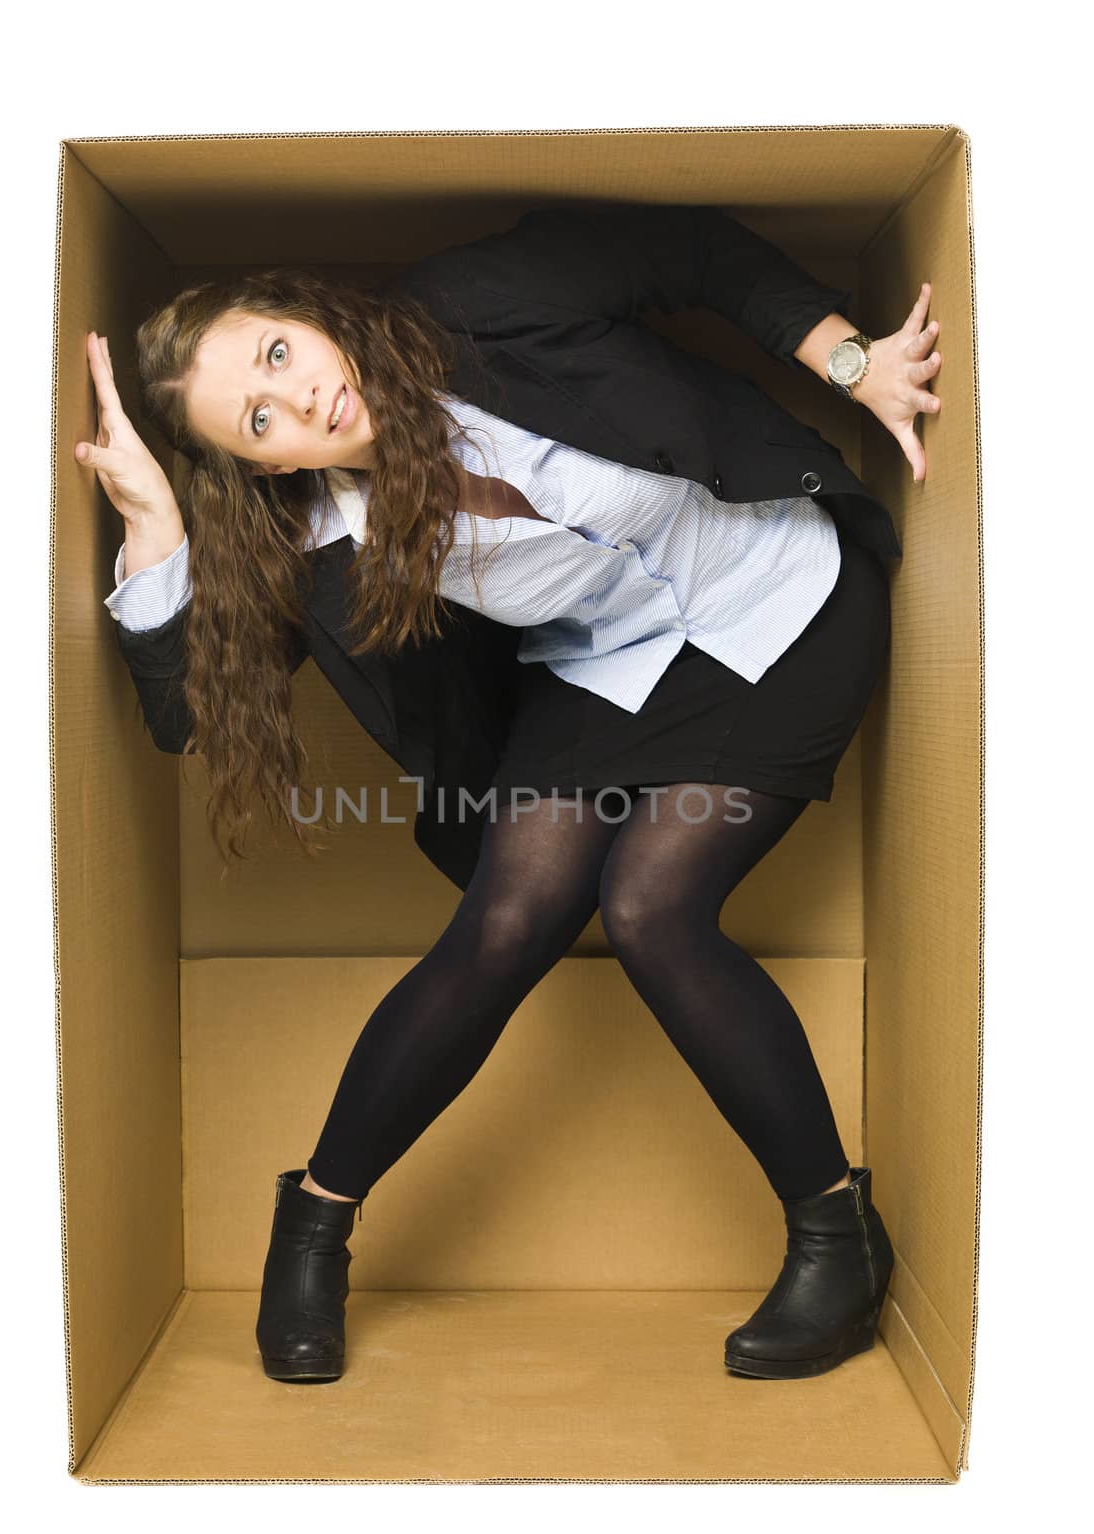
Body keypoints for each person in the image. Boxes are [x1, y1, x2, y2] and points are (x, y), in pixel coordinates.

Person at [77, 202, 942, 1385]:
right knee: (504, 920)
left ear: (310, 313)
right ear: (259, 465)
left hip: (779, 593)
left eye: (279, 355)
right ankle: (313, 1229)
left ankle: (835, 1234)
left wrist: (854, 362)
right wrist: (153, 517)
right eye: (258, 422)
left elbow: (689, 253)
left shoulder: (469, 312)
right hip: (606, 668)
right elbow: (182, 713)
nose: (302, 403)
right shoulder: (320, 541)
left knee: (650, 908)